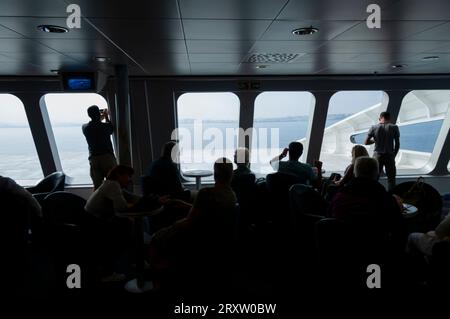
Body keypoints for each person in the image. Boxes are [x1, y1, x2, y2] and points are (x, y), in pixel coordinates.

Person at [149, 158, 237, 279]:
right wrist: (187, 205)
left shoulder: (205, 193)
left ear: (215, 174)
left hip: (196, 234)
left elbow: (190, 221)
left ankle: (159, 276)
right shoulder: (231, 195)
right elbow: (211, 212)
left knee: (155, 238)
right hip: (214, 234)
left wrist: (174, 225)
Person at [85, 165, 167, 282]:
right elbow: (122, 207)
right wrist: (145, 203)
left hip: (97, 217)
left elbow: (132, 197)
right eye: (128, 176)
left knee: (129, 225)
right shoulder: (112, 185)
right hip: (94, 222)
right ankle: (108, 273)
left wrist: (155, 200)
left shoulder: (112, 184)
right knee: (125, 230)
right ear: (119, 175)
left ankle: (136, 259)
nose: (129, 179)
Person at [328, 157, 403, 236]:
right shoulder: (386, 199)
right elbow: (396, 224)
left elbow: (329, 217)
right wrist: (398, 206)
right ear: (377, 174)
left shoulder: (339, 197)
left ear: (355, 173)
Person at [82, 105, 117, 190]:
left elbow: (95, 124)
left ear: (89, 115)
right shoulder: (105, 127)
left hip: (94, 159)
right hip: (107, 158)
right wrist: (106, 116)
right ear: (98, 114)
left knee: (97, 186)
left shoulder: (85, 127)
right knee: (114, 183)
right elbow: (111, 129)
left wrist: (99, 116)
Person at [365, 111, 400, 192]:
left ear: (380, 118)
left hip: (377, 155)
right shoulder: (394, 127)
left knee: (374, 178)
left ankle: (372, 195)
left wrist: (374, 140)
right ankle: (390, 197)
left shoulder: (373, 127)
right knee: (391, 179)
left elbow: (366, 142)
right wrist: (393, 155)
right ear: (389, 118)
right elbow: (397, 144)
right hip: (389, 155)